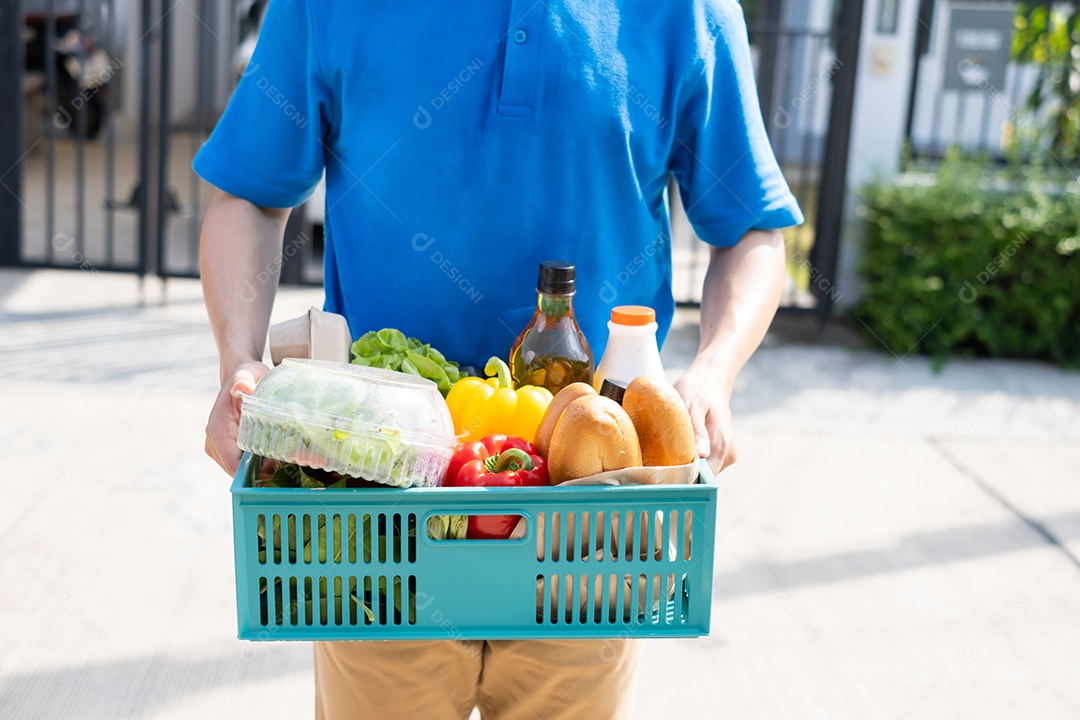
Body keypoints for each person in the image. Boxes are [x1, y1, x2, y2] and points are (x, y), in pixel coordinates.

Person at [196, 0, 802, 717]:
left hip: (594, 514)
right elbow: (250, 197)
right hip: (380, 504)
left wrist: (714, 372)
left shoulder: (689, 11)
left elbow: (753, 230)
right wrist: (238, 355)